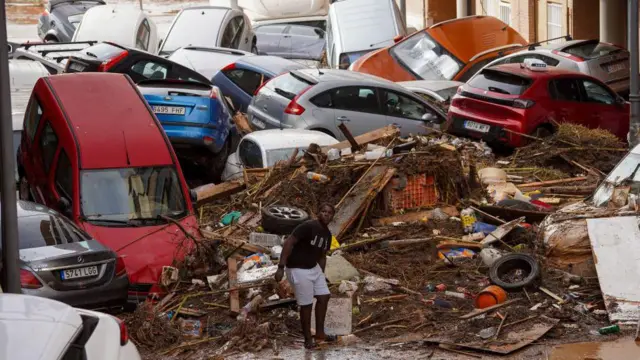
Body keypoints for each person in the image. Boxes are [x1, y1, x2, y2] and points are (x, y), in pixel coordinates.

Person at [274, 202, 337, 349]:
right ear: (318, 213)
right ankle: (308, 339)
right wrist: (280, 267)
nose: (326, 214)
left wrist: (321, 273)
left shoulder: (327, 234)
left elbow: (322, 255)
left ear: (333, 216)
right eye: (324, 211)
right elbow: (289, 242)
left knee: (324, 297)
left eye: (330, 213)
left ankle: (320, 333)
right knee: (306, 304)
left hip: (313, 268)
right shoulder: (308, 226)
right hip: (297, 269)